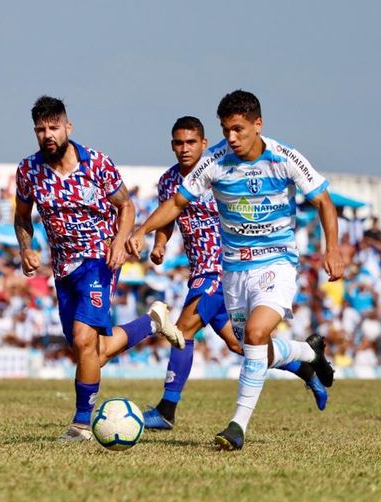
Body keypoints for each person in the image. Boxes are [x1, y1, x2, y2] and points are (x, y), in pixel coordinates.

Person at [128, 91, 344, 449]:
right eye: (227, 130)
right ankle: (307, 355)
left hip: (276, 263)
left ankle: (234, 426)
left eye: (239, 129)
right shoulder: (214, 163)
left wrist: (332, 249)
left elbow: (322, 200)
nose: (233, 138)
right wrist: (144, 231)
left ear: (258, 124)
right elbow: (178, 203)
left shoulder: (284, 158)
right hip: (234, 272)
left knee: (252, 335)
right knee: (247, 346)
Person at [14, 96, 183, 441]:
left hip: (99, 259)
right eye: (40, 129)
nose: (48, 135)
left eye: (53, 128)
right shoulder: (28, 171)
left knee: (82, 339)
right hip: (63, 268)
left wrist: (120, 242)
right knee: (92, 351)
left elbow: (127, 207)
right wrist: (26, 247)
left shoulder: (97, 164)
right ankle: (151, 322)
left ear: (68, 127)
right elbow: (22, 216)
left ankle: (80, 425)